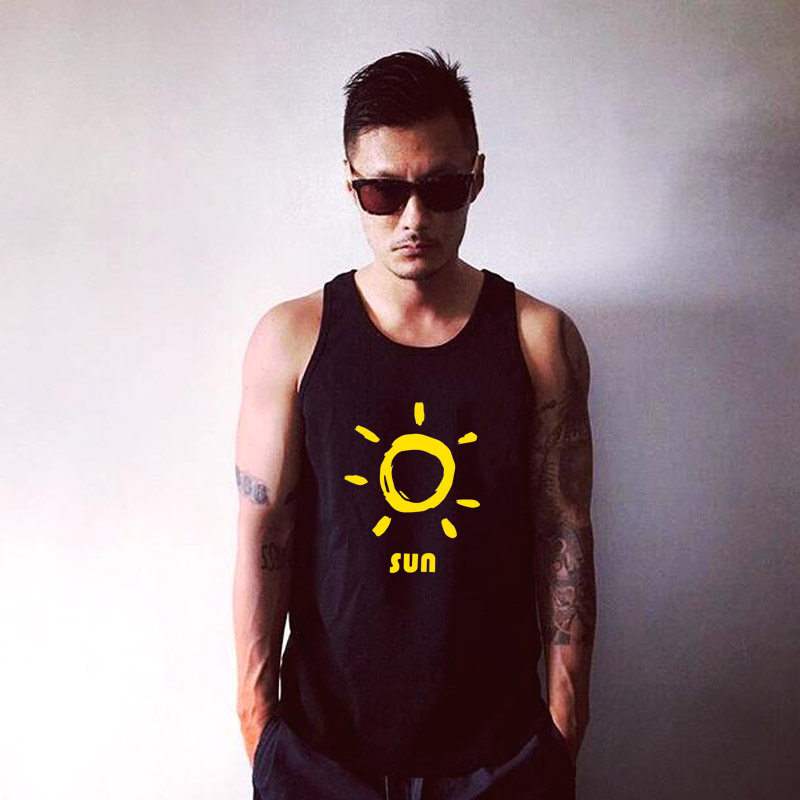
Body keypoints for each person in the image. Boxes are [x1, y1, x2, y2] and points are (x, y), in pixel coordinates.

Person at [233, 48, 596, 800]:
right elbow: (263, 531)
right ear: (350, 184)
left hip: (502, 755)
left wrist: (564, 725)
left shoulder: (539, 339)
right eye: (383, 191)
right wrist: (257, 722)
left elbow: (563, 532)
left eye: (442, 188)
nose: (413, 219)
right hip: (322, 754)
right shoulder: (292, 338)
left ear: (477, 178)